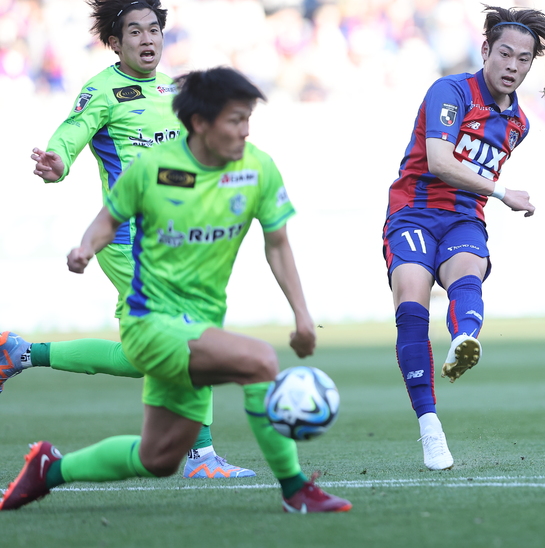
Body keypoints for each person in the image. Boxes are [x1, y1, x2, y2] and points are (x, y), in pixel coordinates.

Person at [0, 67, 350, 513]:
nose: (245, 131)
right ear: (200, 122)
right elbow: (109, 218)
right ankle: (295, 489)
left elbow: (277, 243)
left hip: (200, 322)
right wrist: (86, 248)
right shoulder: (153, 168)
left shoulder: (257, 167)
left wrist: (302, 315)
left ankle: (49, 469)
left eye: (247, 119)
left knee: (159, 457)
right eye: (235, 120)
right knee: (260, 361)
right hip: (151, 322)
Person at [2, 0, 253, 479]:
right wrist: (57, 161)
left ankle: (21, 354)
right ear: (115, 43)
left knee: (144, 357)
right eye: (134, 32)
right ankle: (201, 456)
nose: (147, 39)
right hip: (128, 241)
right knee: (193, 336)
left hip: (174, 240)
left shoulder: (174, 91)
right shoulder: (102, 91)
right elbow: (72, 132)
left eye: (153, 29)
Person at [383, 5, 545, 470]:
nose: (512, 66)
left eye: (523, 59)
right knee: (412, 297)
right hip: (414, 211)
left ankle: (464, 339)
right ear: (485, 50)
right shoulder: (451, 91)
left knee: (468, 271)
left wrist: (490, 196)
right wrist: (503, 193)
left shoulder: (519, 125)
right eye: (505, 54)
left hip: (463, 217)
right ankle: (430, 429)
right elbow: (440, 162)